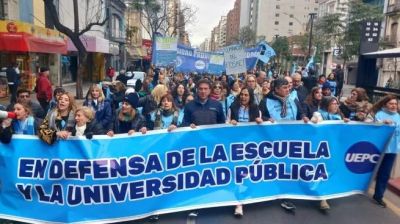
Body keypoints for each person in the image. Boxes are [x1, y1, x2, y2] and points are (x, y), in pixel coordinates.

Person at [259, 78, 309, 212]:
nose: (288, 90)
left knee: (287, 169)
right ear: (276, 89)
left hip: (290, 141)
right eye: (285, 87)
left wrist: (304, 117)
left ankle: (286, 196)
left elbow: (301, 113)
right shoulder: (266, 101)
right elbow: (257, 116)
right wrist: (266, 119)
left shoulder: (293, 100)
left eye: (288, 87)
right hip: (272, 142)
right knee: (273, 168)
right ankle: (268, 191)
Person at [227, 87, 263, 217]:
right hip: (236, 145)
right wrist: (230, 122)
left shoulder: (256, 109)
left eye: (246, 95)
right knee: (238, 173)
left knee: (248, 173)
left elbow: (261, 126)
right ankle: (238, 203)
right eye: (241, 95)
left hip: (250, 147)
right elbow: (225, 123)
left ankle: (246, 196)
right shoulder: (232, 107)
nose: (243, 97)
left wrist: (260, 121)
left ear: (251, 96)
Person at [369, 95, 400, 208]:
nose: (393, 106)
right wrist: (382, 122)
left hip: (392, 151)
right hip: (379, 149)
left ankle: (378, 196)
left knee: (385, 173)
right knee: (371, 170)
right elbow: (374, 129)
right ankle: (360, 188)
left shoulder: (398, 116)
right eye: (391, 103)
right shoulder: (380, 115)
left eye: (395, 104)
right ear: (385, 104)